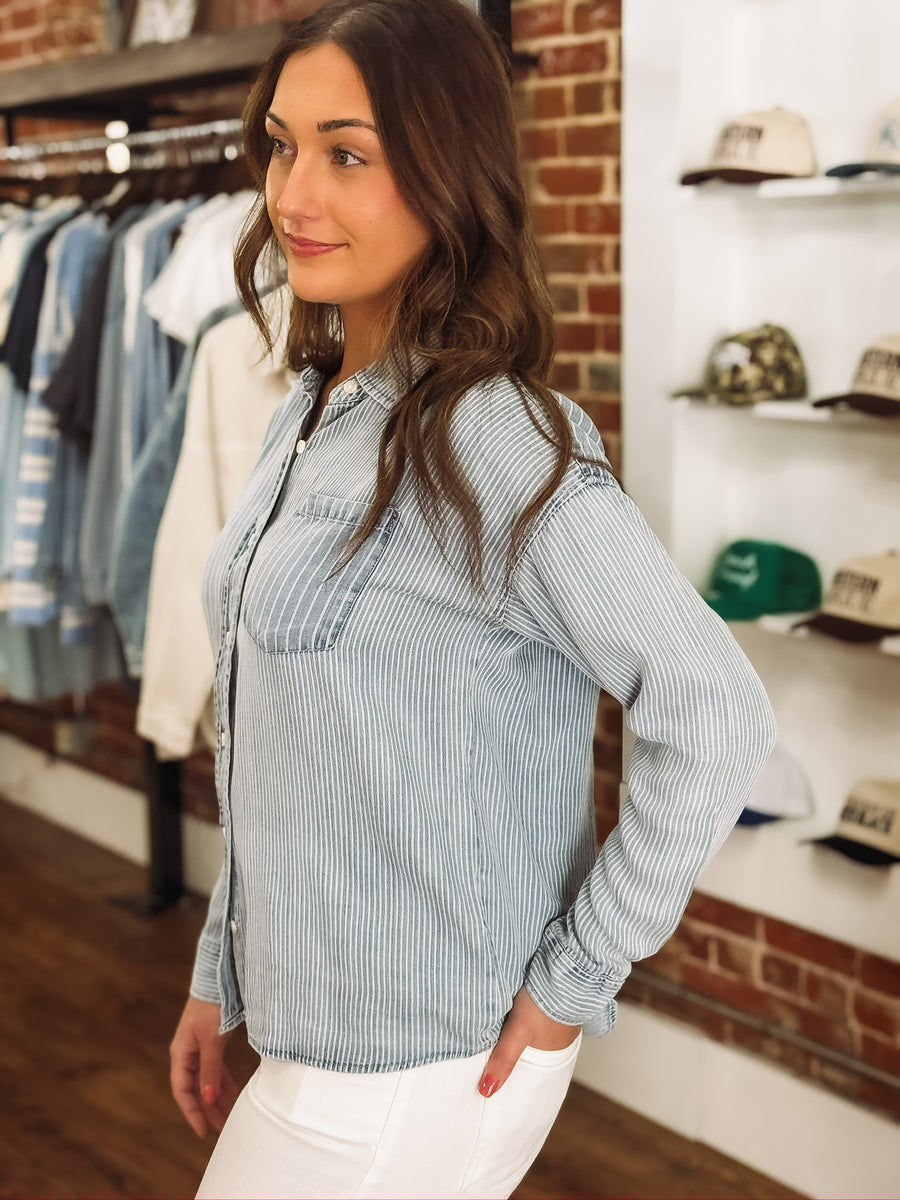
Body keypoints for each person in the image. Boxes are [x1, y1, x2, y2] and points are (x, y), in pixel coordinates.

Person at [169, 2, 777, 1197]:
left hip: (414, 1075)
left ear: (447, 171)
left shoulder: (492, 437)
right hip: (311, 1034)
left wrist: (571, 986)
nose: (293, 196)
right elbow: (287, 747)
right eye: (281, 147)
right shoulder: (313, 409)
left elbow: (714, 712)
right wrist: (216, 971)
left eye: (348, 154)